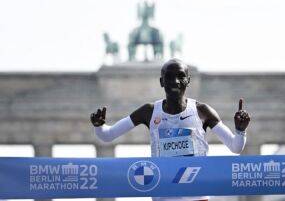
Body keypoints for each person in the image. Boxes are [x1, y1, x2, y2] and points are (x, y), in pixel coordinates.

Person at [90, 59, 251, 201]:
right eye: (169, 77)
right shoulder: (149, 111)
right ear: (161, 81)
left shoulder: (202, 111)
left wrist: (240, 130)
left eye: (180, 76)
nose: (175, 81)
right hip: (164, 195)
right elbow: (107, 136)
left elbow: (235, 147)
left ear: (188, 80)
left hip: (197, 196)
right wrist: (99, 126)